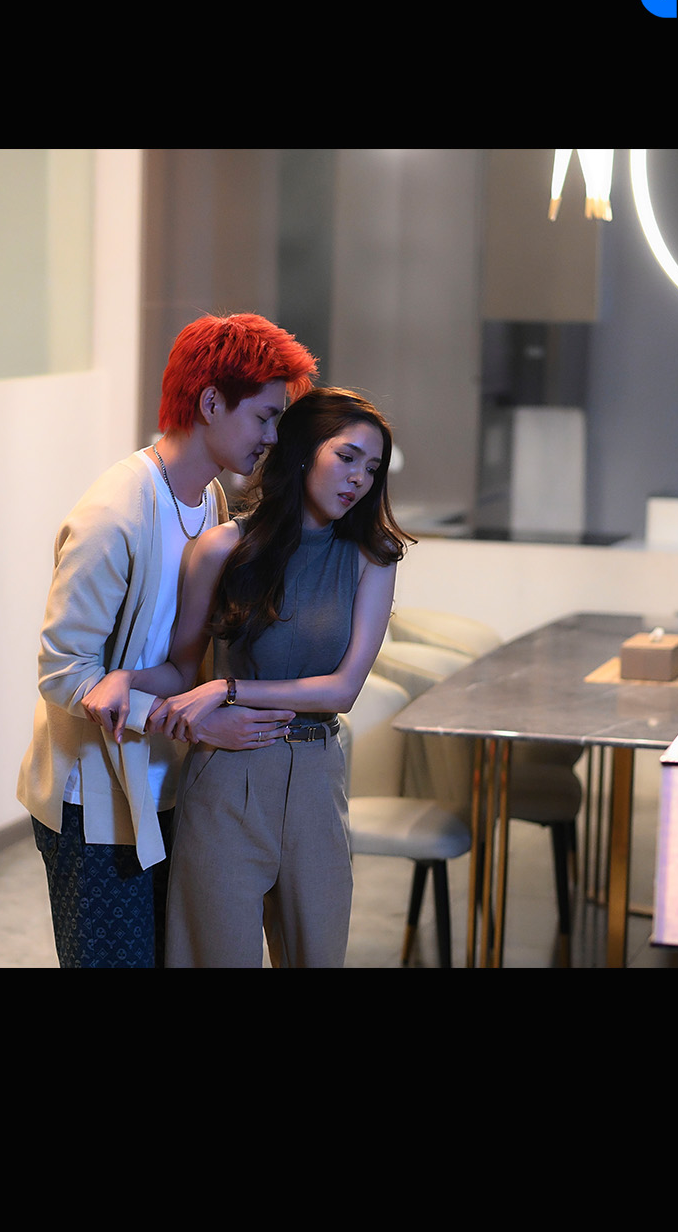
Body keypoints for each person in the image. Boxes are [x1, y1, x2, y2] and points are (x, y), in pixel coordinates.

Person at [15, 312, 317, 969]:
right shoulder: (114, 514)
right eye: (264, 417)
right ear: (210, 403)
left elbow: (182, 654)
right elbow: (63, 673)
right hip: (94, 802)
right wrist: (191, 723)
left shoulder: (210, 502)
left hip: (169, 785)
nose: (272, 437)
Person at [110, 387, 413, 967]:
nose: (359, 478)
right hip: (227, 778)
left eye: (372, 468)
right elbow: (181, 670)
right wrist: (119, 679)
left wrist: (228, 689)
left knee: (317, 955)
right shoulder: (220, 548)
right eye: (346, 457)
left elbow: (343, 689)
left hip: (317, 777)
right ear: (301, 452)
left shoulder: (372, 557)